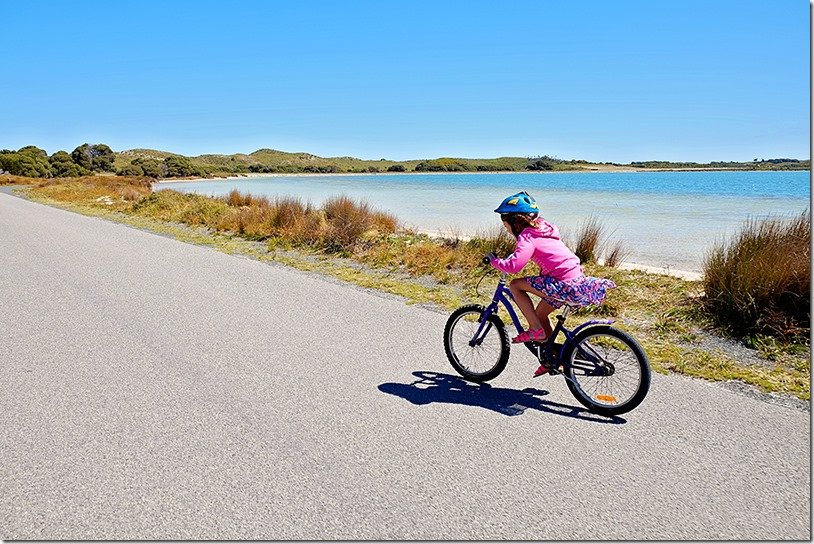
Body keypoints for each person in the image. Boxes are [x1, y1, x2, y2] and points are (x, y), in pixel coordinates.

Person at [486, 191, 617, 377]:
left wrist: (494, 261)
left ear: (514, 222)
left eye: (504, 222)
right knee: (540, 314)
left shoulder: (527, 237)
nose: (504, 228)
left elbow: (514, 266)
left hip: (561, 284)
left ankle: (536, 330)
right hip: (575, 279)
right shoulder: (544, 228)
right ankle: (551, 358)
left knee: (515, 285)